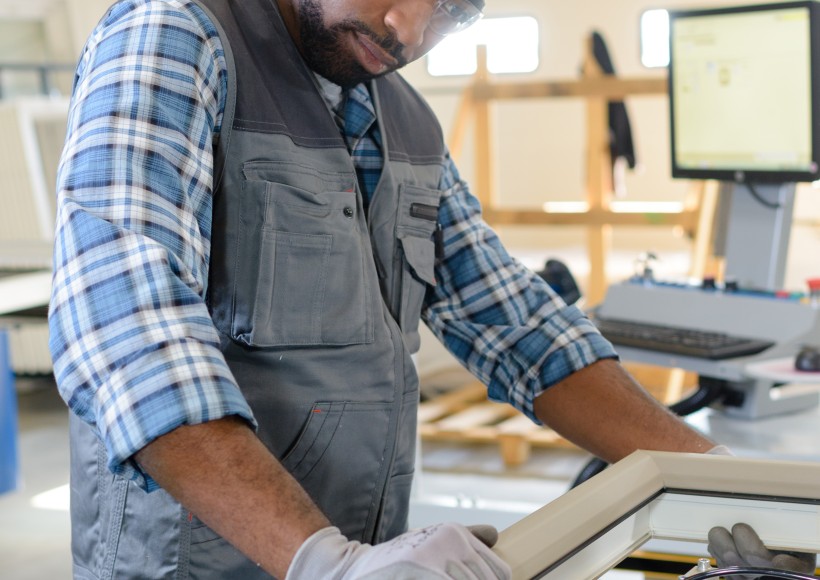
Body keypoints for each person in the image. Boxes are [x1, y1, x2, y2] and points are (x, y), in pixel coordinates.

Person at [48, 0, 738, 578]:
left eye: (452, 12)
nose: (409, 30)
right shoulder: (174, 35)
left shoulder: (404, 119)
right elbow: (127, 331)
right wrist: (324, 563)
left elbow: (516, 325)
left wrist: (725, 482)